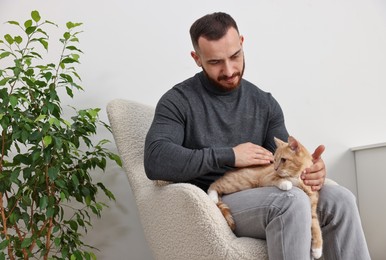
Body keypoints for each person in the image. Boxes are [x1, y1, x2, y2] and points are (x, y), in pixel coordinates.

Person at [144, 12, 370, 260]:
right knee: (290, 201)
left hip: (261, 187)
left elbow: (283, 161)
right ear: (196, 58)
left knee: (341, 199)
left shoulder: (264, 103)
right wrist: (229, 156)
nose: (229, 70)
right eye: (215, 62)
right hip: (215, 199)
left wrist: (311, 169)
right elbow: (156, 160)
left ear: (241, 42)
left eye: (235, 56)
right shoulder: (177, 101)